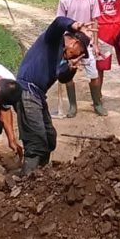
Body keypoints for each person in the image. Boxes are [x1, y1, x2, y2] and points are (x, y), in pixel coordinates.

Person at [15, 16, 96, 173]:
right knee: (36, 141)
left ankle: (39, 174)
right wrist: (75, 24)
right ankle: (27, 179)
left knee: (49, 138)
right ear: (74, 43)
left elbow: (62, 77)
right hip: (27, 92)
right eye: (79, 52)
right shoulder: (53, 40)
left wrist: (71, 69)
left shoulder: (63, 57)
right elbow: (59, 22)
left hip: (37, 95)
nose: (76, 55)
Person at [55, 0, 105, 116]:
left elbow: (95, 21)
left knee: (94, 74)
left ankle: (97, 103)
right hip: (70, 43)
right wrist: (63, 45)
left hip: (87, 42)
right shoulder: (64, 0)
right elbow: (60, 22)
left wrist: (95, 43)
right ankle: (72, 106)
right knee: (69, 74)